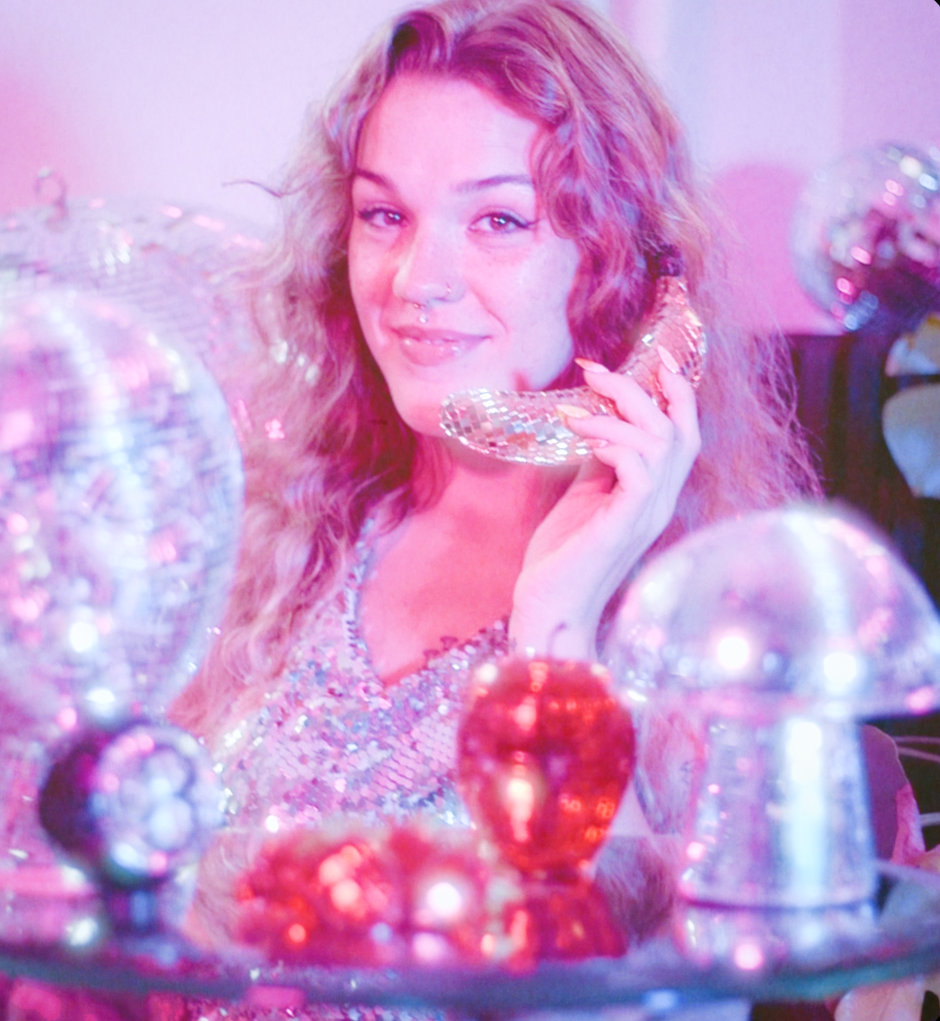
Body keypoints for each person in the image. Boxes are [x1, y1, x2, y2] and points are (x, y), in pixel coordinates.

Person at [154, 2, 836, 1019]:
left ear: (622, 266)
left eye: (499, 220)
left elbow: (625, 996)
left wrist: (558, 625)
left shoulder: (704, 629)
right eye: (383, 214)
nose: (414, 281)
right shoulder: (281, 536)